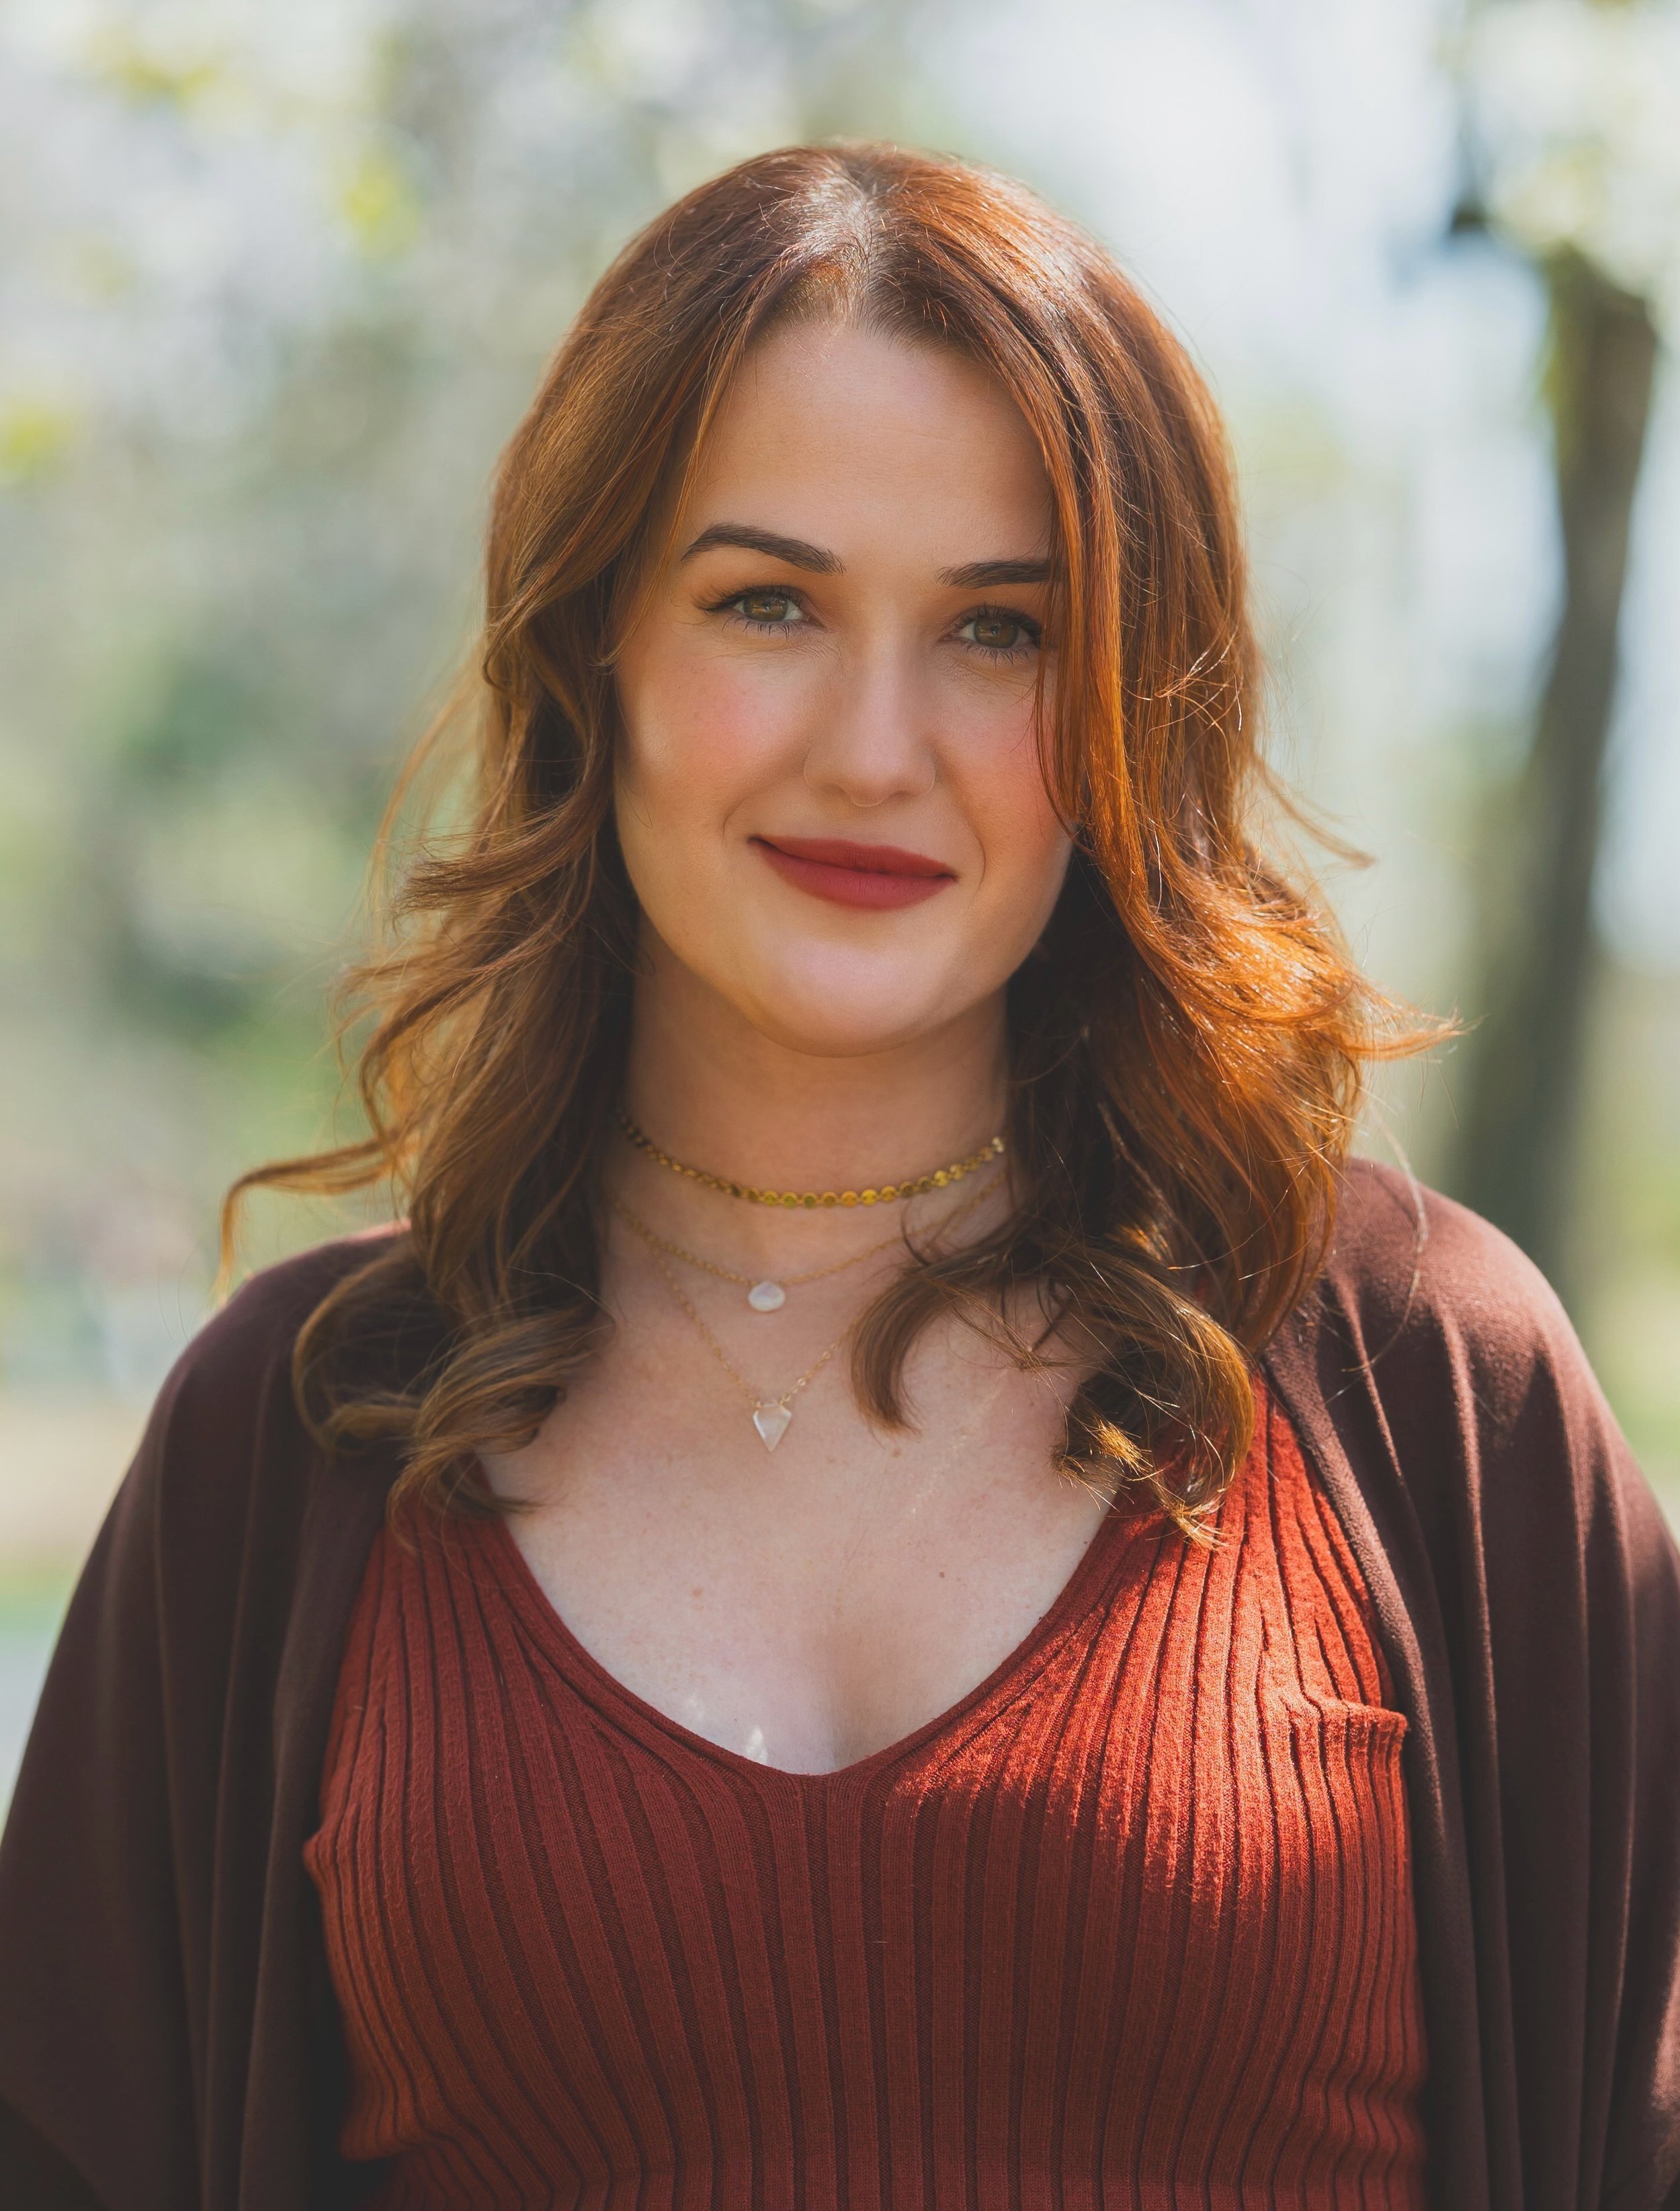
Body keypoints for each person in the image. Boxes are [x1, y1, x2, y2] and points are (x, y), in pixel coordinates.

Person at [1, 142, 1677, 2211]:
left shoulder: (1421, 1377)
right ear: (592, 647)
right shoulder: (298, 1430)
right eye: (767, 602)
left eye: (998, 630)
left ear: (1126, 705)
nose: (875, 747)